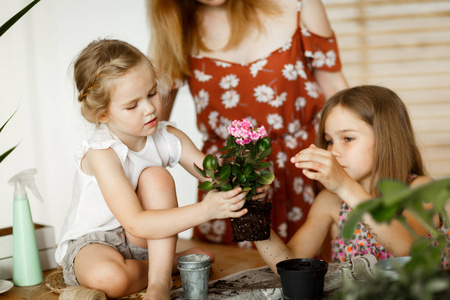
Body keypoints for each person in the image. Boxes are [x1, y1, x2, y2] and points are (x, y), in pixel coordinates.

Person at [54, 38, 253, 300]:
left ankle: (159, 282)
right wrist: (206, 210)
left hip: (144, 242)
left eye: (151, 93)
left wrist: (245, 183)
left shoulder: (168, 137)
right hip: (94, 243)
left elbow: (215, 176)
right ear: (102, 114)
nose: (149, 109)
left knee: (157, 177)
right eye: (133, 105)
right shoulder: (101, 152)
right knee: (108, 279)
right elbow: (135, 222)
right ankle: (169, 264)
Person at [148, 0, 349, 248]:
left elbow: (337, 93)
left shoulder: (298, 5)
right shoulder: (175, 29)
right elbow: (151, 130)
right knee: (234, 277)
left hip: (306, 171)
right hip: (230, 181)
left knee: (315, 276)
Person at [254, 85, 433, 272]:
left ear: (386, 139)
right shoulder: (329, 202)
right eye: (329, 141)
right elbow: (288, 265)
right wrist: (253, 214)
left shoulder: (421, 190)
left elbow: (406, 248)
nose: (334, 152)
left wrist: (344, 186)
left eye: (348, 138)